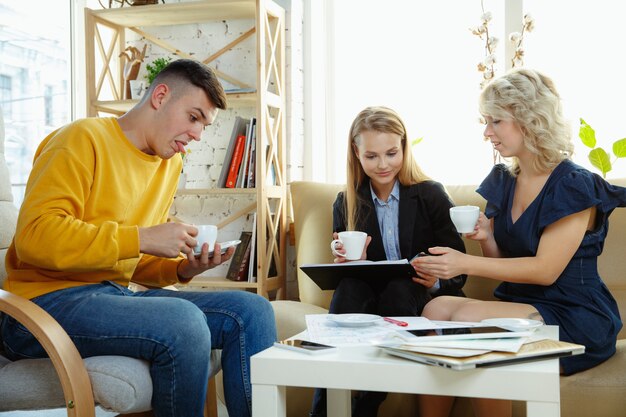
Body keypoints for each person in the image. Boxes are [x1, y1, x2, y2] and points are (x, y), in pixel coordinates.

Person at [1, 59, 276, 417]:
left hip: (110, 295)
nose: (197, 135)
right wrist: (142, 238)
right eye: (193, 118)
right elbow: (35, 238)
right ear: (160, 96)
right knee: (182, 321)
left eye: (204, 126)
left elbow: (133, 258)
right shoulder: (80, 140)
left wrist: (182, 270)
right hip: (41, 305)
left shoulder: (168, 164)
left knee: (252, 311)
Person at [413, 68, 626, 417]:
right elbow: (505, 267)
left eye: (496, 120)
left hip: (574, 314)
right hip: (521, 306)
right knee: (435, 311)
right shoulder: (504, 180)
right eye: (486, 121)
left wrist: (464, 262)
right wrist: (487, 239)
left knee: (475, 325)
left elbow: (544, 270)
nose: (487, 132)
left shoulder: (574, 185)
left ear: (529, 119)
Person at [310, 106, 467, 417]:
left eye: (392, 153)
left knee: (398, 288)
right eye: (371, 156)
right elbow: (349, 271)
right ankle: (322, 411)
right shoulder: (346, 202)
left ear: (404, 148)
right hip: (371, 295)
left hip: (416, 295)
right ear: (356, 153)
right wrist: (350, 260)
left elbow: (460, 269)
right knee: (349, 288)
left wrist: (435, 280)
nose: (383, 164)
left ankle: (366, 405)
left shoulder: (431, 195)